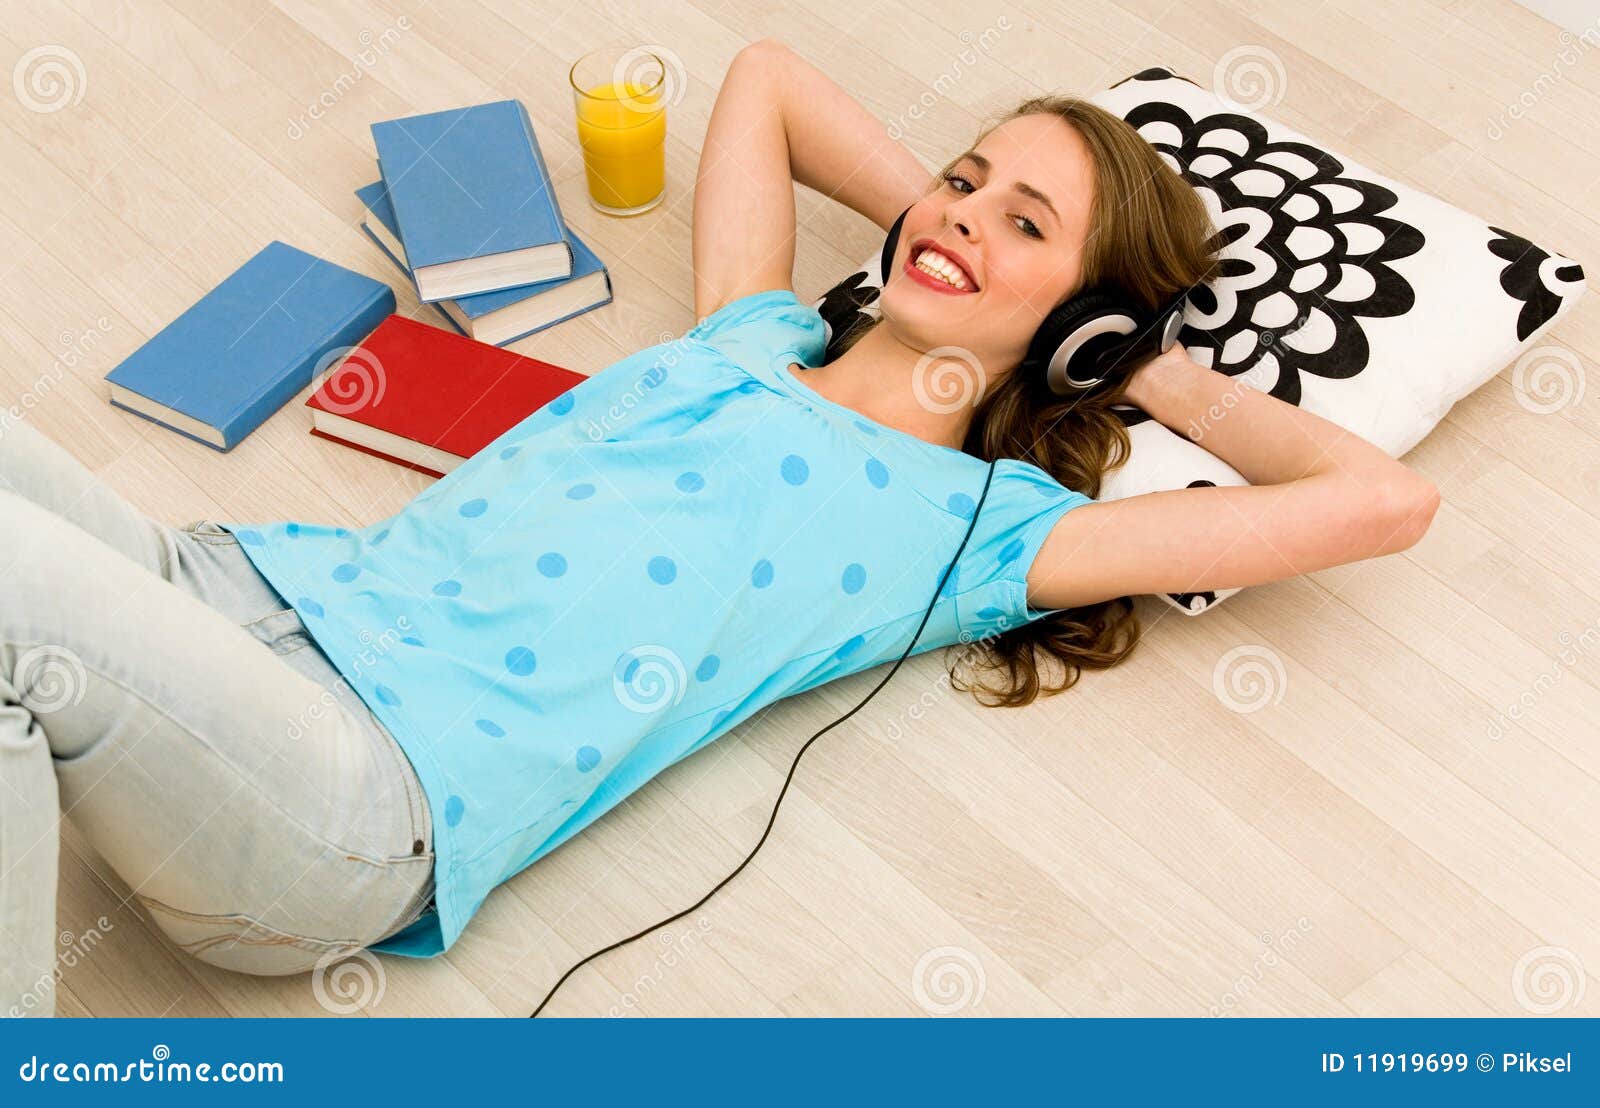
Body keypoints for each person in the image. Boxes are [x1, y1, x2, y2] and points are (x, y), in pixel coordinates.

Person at [0, 39, 1437, 1016]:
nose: (961, 218)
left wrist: (1120, 356)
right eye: (962, 178)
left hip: (355, 796)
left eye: (1026, 225)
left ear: (1083, 321)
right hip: (235, 600)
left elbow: (1381, 502)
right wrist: (957, 231)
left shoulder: (986, 532)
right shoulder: (753, 328)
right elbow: (768, 79)